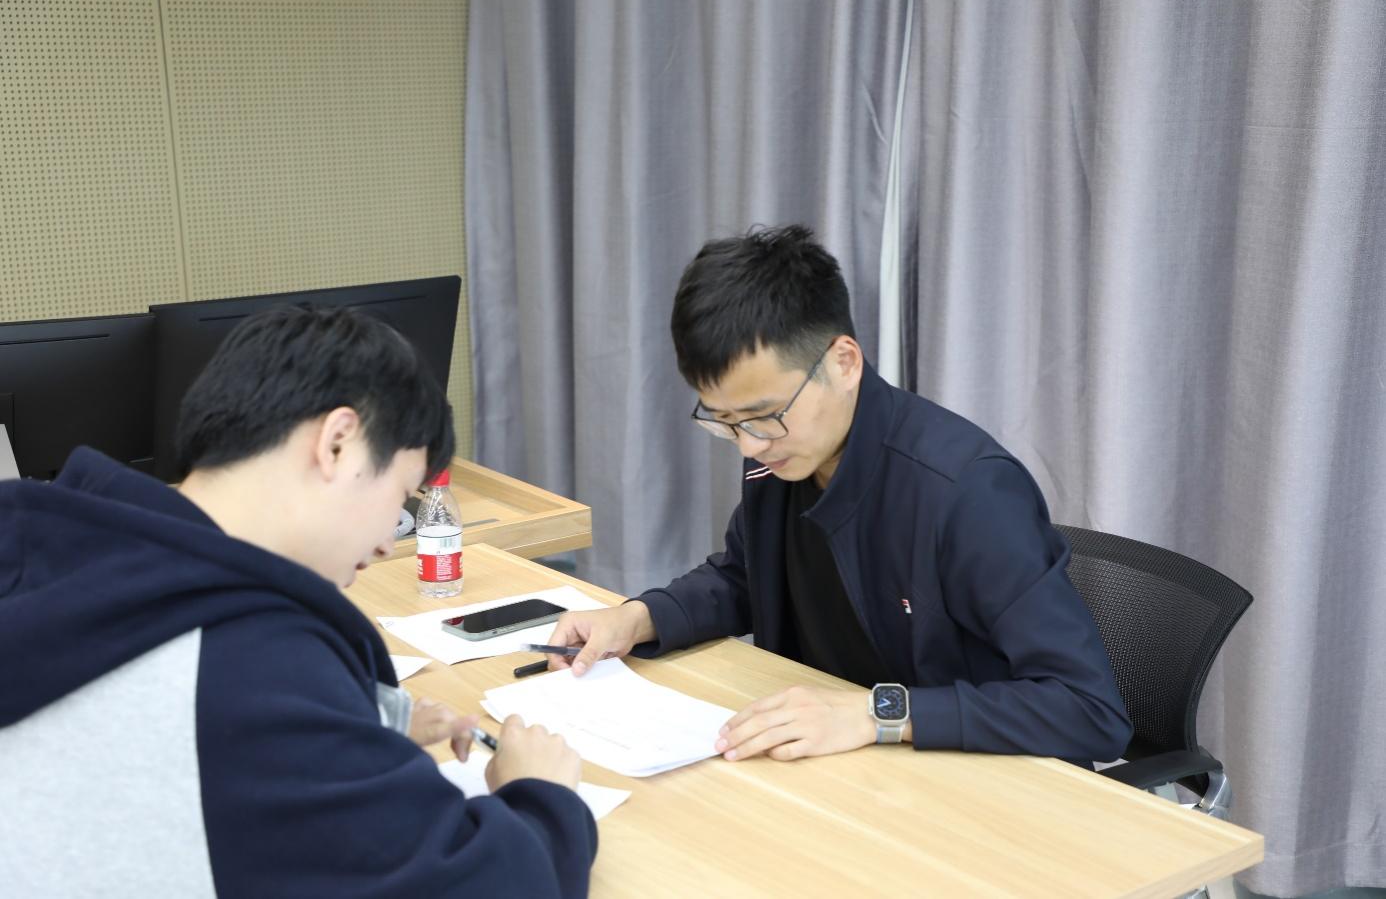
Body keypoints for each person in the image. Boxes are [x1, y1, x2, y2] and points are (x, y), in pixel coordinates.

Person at [0, 306, 595, 897]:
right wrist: (543, 796)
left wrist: (350, 733)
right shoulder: (254, 665)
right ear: (338, 443)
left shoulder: (72, 558)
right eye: (401, 493)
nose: (390, 538)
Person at [545, 224, 1132, 766]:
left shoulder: (966, 491)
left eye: (764, 416)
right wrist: (637, 618)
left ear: (844, 363)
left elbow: (1087, 710)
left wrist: (876, 713)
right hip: (846, 770)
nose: (748, 446)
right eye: (724, 422)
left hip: (974, 782)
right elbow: (745, 578)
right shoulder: (784, 454)